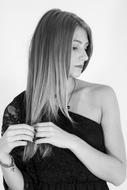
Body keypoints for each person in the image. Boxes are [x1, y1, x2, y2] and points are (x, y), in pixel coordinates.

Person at [0, 8, 126, 190]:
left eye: (85, 47)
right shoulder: (19, 108)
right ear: (50, 48)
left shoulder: (102, 96)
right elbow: (24, 187)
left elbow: (118, 175)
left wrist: (71, 141)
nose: (84, 56)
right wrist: (3, 156)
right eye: (75, 47)